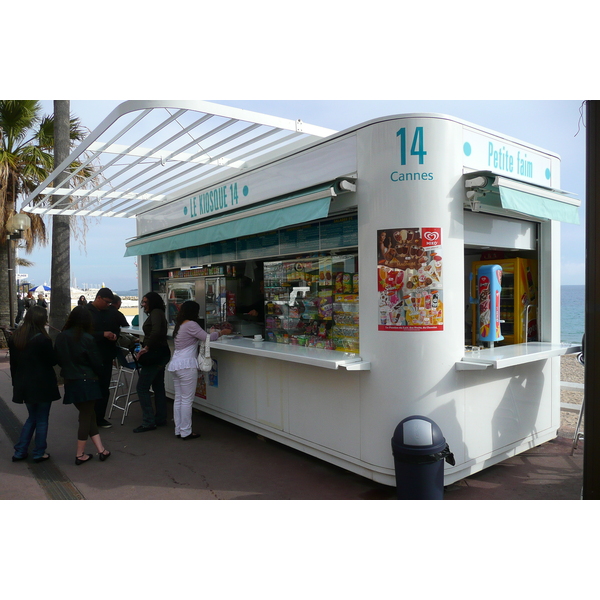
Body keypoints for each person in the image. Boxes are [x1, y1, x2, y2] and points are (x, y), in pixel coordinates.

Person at [54, 306, 111, 465]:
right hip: (87, 380)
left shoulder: (61, 337)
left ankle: (101, 450)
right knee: (86, 417)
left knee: (89, 414)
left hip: (71, 380)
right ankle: (80, 454)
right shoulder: (87, 338)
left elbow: (58, 359)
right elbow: (96, 362)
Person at [167, 301, 231, 440]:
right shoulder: (191, 324)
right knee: (186, 400)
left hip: (176, 364)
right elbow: (207, 338)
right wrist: (221, 332)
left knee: (178, 399)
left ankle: (179, 430)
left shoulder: (180, 325)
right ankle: (186, 431)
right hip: (187, 365)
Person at [8, 306, 61, 462]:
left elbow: (13, 364)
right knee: (42, 418)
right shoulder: (43, 339)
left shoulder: (16, 337)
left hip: (24, 382)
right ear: (41, 319)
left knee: (32, 417)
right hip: (42, 383)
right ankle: (38, 452)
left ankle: (20, 450)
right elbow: (52, 361)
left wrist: (15, 383)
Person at [133, 291, 171, 433]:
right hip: (161, 353)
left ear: (152, 303)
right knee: (158, 386)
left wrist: (146, 347)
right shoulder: (159, 312)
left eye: (145, 302)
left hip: (155, 354)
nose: (143, 305)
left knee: (142, 387)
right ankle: (160, 418)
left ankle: (148, 421)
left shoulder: (155, 313)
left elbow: (155, 331)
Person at [86, 287, 120, 428]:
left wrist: (114, 335)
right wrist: (102, 334)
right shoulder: (86, 312)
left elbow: (118, 327)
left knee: (104, 387)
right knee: (90, 387)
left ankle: (100, 417)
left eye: (110, 303)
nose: (108, 305)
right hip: (90, 356)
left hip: (106, 355)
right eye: (106, 302)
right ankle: (88, 417)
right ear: (98, 298)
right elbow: (81, 334)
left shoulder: (110, 312)